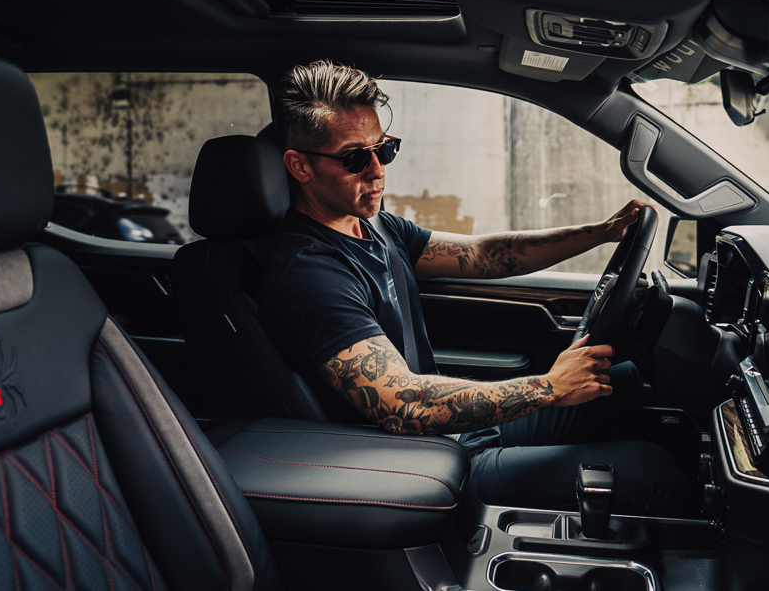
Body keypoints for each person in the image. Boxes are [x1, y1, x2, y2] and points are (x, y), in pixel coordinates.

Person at [258, 60, 689, 516]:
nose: (377, 170)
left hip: (454, 435)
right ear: (300, 166)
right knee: (652, 471)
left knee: (618, 381)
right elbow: (401, 405)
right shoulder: (310, 274)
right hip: (420, 464)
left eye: (383, 150)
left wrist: (600, 232)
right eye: (353, 158)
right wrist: (550, 386)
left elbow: (485, 254)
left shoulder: (376, 227)